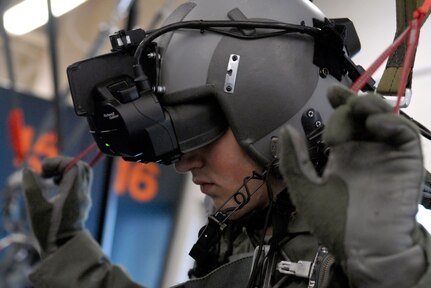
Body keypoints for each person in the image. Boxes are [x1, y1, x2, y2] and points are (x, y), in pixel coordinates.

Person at [22, 0, 431, 287]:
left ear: (277, 109)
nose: (184, 163)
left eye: (200, 131)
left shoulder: (365, 257)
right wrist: (66, 248)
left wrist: (394, 272)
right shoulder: (241, 240)